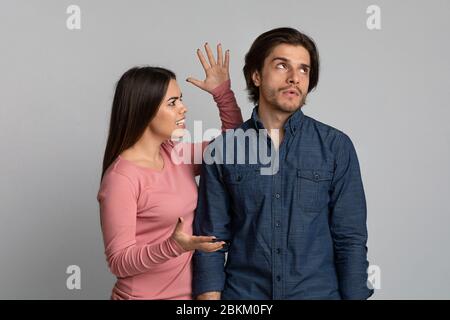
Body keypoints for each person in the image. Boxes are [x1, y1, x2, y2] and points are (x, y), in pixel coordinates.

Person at [193, 28, 374, 300]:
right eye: (281, 66)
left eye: (304, 70)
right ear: (256, 76)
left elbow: (350, 240)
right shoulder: (223, 150)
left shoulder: (336, 146)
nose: (294, 78)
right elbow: (210, 241)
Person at [97, 43, 243, 300]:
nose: (183, 108)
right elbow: (118, 262)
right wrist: (173, 246)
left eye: (181, 100)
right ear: (145, 109)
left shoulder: (176, 154)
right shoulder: (121, 178)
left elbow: (232, 145)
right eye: (172, 102)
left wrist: (222, 94)